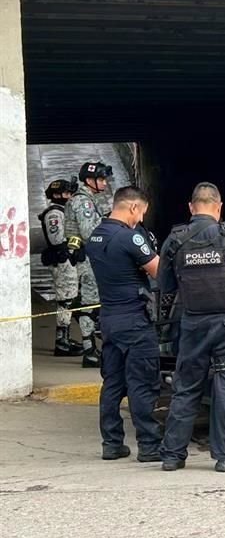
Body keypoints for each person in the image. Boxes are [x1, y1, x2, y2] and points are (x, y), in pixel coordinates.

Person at [158, 183, 225, 473]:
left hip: (193, 323)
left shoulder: (175, 240)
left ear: (191, 207)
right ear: (219, 207)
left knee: (186, 386)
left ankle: (172, 455)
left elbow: (165, 286)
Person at [85, 186, 163, 461]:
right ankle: (150, 446)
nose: (140, 219)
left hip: (109, 319)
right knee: (142, 383)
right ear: (132, 208)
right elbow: (160, 271)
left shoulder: (94, 237)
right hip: (134, 320)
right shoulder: (130, 238)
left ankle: (112, 443)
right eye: (141, 213)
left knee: (113, 384)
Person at [63, 161, 115, 368]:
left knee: (91, 303)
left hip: (89, 259)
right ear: (89, 180)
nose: (104, 183)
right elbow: (90, 234)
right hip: (88, 260)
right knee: (90, 304)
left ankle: (91, 348)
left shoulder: (88, 199)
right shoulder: (83, 202)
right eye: (101, 179)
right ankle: (90, 351)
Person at [39, 178, 84, 357]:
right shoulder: (55, 214)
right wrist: (72, 250)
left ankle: (64, 339)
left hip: (69, 261)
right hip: (63, 262)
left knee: (71, 298)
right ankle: (62, 342)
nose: (70, 196)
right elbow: (57, 241)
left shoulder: (63, 211)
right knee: (65, 300)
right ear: (57, 194)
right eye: (67, 193)